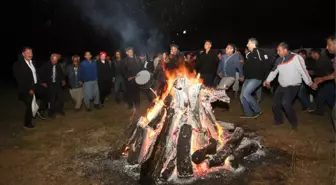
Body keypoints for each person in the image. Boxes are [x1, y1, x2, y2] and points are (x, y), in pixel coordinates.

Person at [263, 42, 316, 131]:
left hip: (293, 85)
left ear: (285, 50)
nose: (277, 52)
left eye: (279, 50)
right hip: (282, 85)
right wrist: (268, 81)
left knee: (286, 103)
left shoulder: (296, 57)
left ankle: (294, 123)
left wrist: (309, 82)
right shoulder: (278, 60)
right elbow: (273, 72)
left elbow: (303, 70)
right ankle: (279, 120)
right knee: (275, 104)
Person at [13, 47, 49, 128]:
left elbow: (36, 75)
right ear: (23, 54)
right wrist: (29, 89)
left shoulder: (32, 63)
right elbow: (20, 79)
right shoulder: (18, 65)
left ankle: (40, 110)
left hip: (36, 85)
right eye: (28, 52)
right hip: (25, 89)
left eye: (31, 52)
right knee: (30, 103)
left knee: (47, 94)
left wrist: (41, 83)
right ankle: (27, 123)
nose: (30, 54)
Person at [240, 38, 270, 118]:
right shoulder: (248, 55)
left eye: (248, 43)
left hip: (257, 78)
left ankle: (257, 110)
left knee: (246, 93)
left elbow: (267, 66)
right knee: (242, 97)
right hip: (247, 79)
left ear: (253, 44)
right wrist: (243, 75)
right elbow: (247, 67)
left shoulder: (260, 52)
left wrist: (267, 79)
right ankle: (248, 113)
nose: (247, 45)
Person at [309, 48, 335, 116]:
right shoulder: (319, 60)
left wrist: (319, 79)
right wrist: (314, 73)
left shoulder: (322, 60)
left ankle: (320, 111)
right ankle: (320, 111)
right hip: (326, 82)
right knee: (327, 98)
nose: (310, 55)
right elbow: (320, 71)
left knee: (322, 96)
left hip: (328, 82)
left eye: (311, 53)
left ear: (315, 53)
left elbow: (327, 72)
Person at [39, 53, 66, 118]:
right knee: (52, 99)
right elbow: (39, 73)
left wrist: (63, 80)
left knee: (61, 97)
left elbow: (61, 73)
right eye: (54, 60)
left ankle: (60, 110)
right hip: (50, 84)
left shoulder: (58, 65)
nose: (55, 61)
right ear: (51, 59)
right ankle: (51, 112)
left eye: (56, 60)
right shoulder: (46, 65)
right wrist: (42, 82)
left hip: (57, 84)